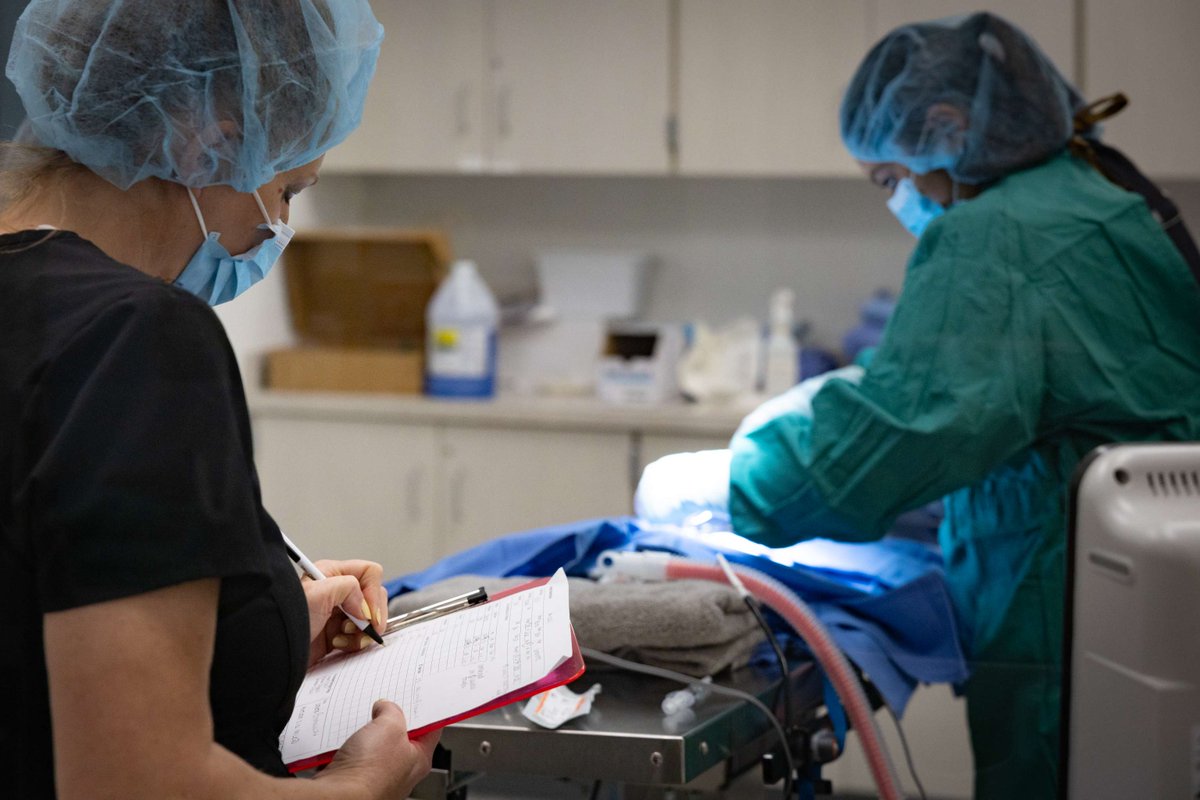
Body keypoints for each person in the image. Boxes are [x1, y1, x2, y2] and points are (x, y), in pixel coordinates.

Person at [637, 12, 1200, 799]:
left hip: (1072, 617)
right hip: (1155, 598)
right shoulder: (1097, 191)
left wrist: (733, 480)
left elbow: (902, 429)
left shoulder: (996, 234)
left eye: (886, 178)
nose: (893, 200)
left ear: (945, 125)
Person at [0, 2, 439, 798]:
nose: (277, 226)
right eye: (290, 188)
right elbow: (137, 785)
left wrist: (249, 625)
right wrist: (365, 785)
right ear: (212, 136)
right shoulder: (134, 336)